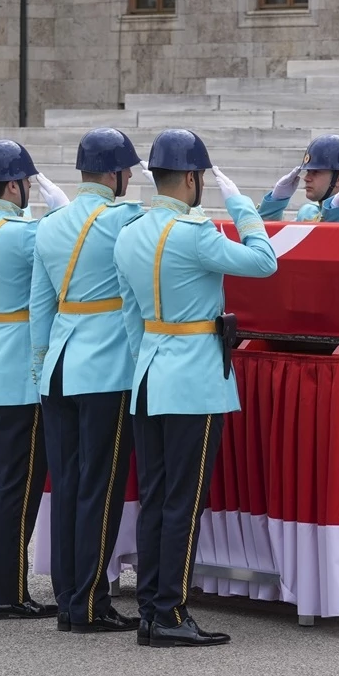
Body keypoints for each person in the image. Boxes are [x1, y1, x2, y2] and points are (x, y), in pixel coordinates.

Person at [113, 129, 278, 648]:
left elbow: (129, 317)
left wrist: (149, 363)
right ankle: (170, 612)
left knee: (158, 499)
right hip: (195, 382)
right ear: (190, 178)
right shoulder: (196, 233)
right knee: (184, 501)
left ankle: (149, 609)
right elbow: (264, 261)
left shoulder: (131, 232)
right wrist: (243, 206)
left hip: (150, 378)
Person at [29, 128, 145, 634]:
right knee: (99, 488)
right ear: (117, 174)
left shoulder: (50, 225)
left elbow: (39, 306)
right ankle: (90, 602)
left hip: (57, 365)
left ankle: (67, 597)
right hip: (105, 368)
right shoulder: (126, 220)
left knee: (71, 485)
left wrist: (39, 367)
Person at [0, 139, 70, 621]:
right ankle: (6, 593)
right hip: (16, 373)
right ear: (16, 185)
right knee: (15, 488)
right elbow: (62, 243)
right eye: (26, 183)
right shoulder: (24, 234)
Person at [256, 134, 339, 223]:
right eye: (308, 171)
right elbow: (270, 240)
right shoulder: (307, 212)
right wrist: (275, 202)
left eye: (316, 172)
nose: (306, 178)